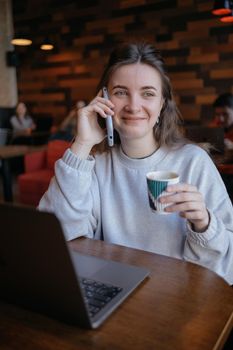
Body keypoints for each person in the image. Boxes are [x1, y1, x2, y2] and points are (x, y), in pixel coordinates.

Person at [39, 42, 233, 285]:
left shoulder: (193, 162)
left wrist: (204, 224)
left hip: (180, 298)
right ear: (104, 99)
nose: (133, 106)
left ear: (162, 103)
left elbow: (227, 268)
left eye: (148, 93)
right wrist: (81, 145)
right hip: (112, 291)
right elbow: (54, 241)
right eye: (121, 92)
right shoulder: (95, 165)